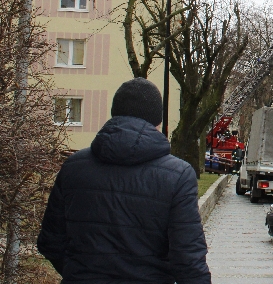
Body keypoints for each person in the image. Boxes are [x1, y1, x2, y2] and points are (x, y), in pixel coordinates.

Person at [37, 78, 211, 284]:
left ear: (114, 114)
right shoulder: (178, 175)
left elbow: (50, 241)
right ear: (158, 121)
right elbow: (188, 260)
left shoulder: (73, 167)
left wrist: (79, 272)